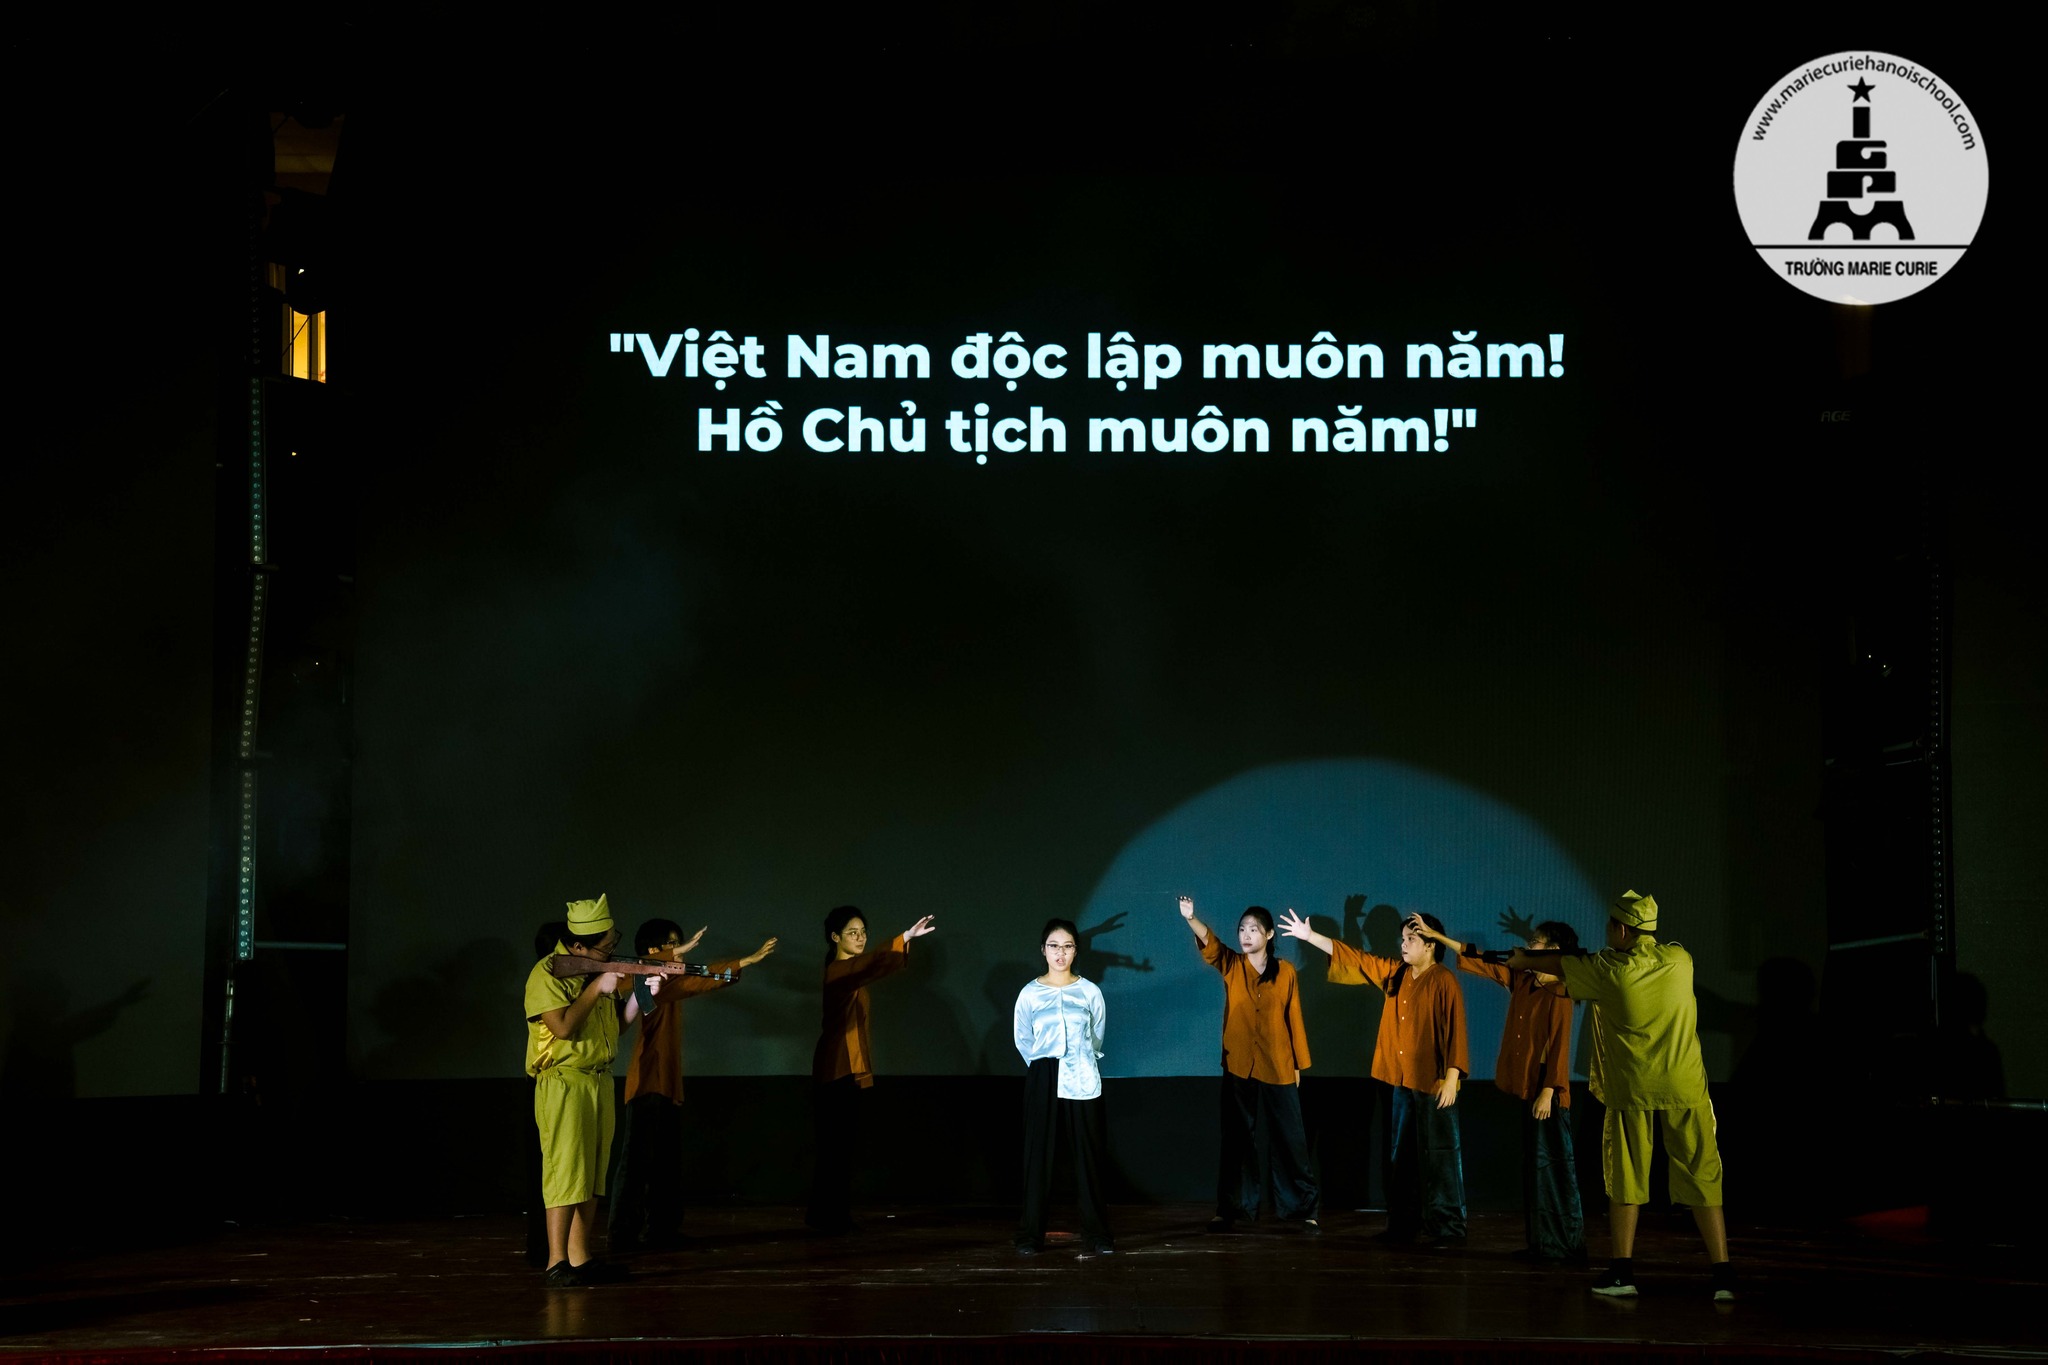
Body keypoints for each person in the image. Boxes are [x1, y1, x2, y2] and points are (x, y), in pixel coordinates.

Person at [1509, 890, 1734, 1301]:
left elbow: (1560, 967)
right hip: (1685, 1087)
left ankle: (1622, 1273)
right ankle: (1723, 1277)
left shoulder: (1609, 969)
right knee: (1703, 1177)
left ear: (1622, 929)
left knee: (1625, 1179)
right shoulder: (1680, 960)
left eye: (1610, 927)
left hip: (1633, 1089)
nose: (1607, 933)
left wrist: (1524, 959)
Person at [1278, 907, 1469, 1246]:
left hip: (1434, 1082)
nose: (1403, 945)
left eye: (1411, 939)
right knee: (1400, 1157)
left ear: (1430, 944)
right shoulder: (1396, 974)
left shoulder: (1443, 980)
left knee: (1439, 1155)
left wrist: (1452, 1076)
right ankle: (1402, 1226)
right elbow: (1357, 959)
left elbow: (1455, 1029)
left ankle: (1447, 1228)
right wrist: (1310, 936)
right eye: (1402, 939)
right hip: (1400, 1080)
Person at [1412, 911, 1586, 1262]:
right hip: (1528, 1086)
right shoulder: (1523, 980)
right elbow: (1480, 959)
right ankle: (1540, 1244)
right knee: (1533, 1167)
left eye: (1535, 942)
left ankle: (1561, 1245)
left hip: (1547, 1091)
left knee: (1552, 1167)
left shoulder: (1560, 991)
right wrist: (1438, 936)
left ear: (1552, 950)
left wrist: (1550, 1090)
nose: (1528, 945)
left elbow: (1559, 1046)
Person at [608, 918, 779, 1253]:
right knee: (636, 1165)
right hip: (647, 1083)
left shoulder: (671, 982)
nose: (681, 949)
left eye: (679, 943)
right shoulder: (645, 980)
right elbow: (665, 975)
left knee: (666, 1164)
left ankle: (660, 1230)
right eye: (673, 943)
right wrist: (738, 961)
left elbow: (704, 978)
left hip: (667, 1085)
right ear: (654, 950)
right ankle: (622, 1237)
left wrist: (745, 961)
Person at [523, 893, 655, 1287]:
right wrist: (597, 987)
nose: (612, 950)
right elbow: (562, 1028)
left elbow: (617, 1026)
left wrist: (644, 994)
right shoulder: (547, 973)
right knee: (565, 1172)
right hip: (564, 1081)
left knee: (593, 1173)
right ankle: (556, 1261)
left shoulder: (595, 970)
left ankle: (580, 1258)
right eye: (606, 945)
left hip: (598, 1078)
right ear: (578, 947)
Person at [1178, 896, 1319, 1234]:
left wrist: (1297, 1064)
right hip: (1239, 1063)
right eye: (1242, 929)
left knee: (1290, 1139)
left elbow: (1293, 1017)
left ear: (1269, 934)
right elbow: (1211, 945)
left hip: (1279, 1064)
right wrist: (1191, 917)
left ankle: (1301, 1210)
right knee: (1236, 1138)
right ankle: (1231, 1208)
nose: (1246, 935)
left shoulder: (1285, 972)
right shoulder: (1232, 964)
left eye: (1254, 929)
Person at [806, 905, 937, 1233]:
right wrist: (904, 937)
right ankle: (829, 1216)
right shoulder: (839, 970)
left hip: (848, 1069)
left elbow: (874, 966)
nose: (860, 937)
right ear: (835, 937)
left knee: (840, 1147)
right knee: (834, 1147)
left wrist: (904, 942)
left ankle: (827, 1215)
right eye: (853, 932)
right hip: (835, 1070)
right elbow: (869, 965)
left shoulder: (853, 972)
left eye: (863, 932)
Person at [1013, 918, 1114, 1256]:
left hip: (1082, 1074)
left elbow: (1097, 1035)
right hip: (1044, 1073)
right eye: (1054, 946)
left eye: (1068, 946)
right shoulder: (1029, 993)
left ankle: (1098, 1235)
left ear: (1075, 951)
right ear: (1043, 950)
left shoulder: (1090, 991)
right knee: (1038, 1157)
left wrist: (1079, 1058)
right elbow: (1023, 1039)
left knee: (1089, 1158)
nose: (1061, 953)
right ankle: (1030, 1235)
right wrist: (1044, 1066)